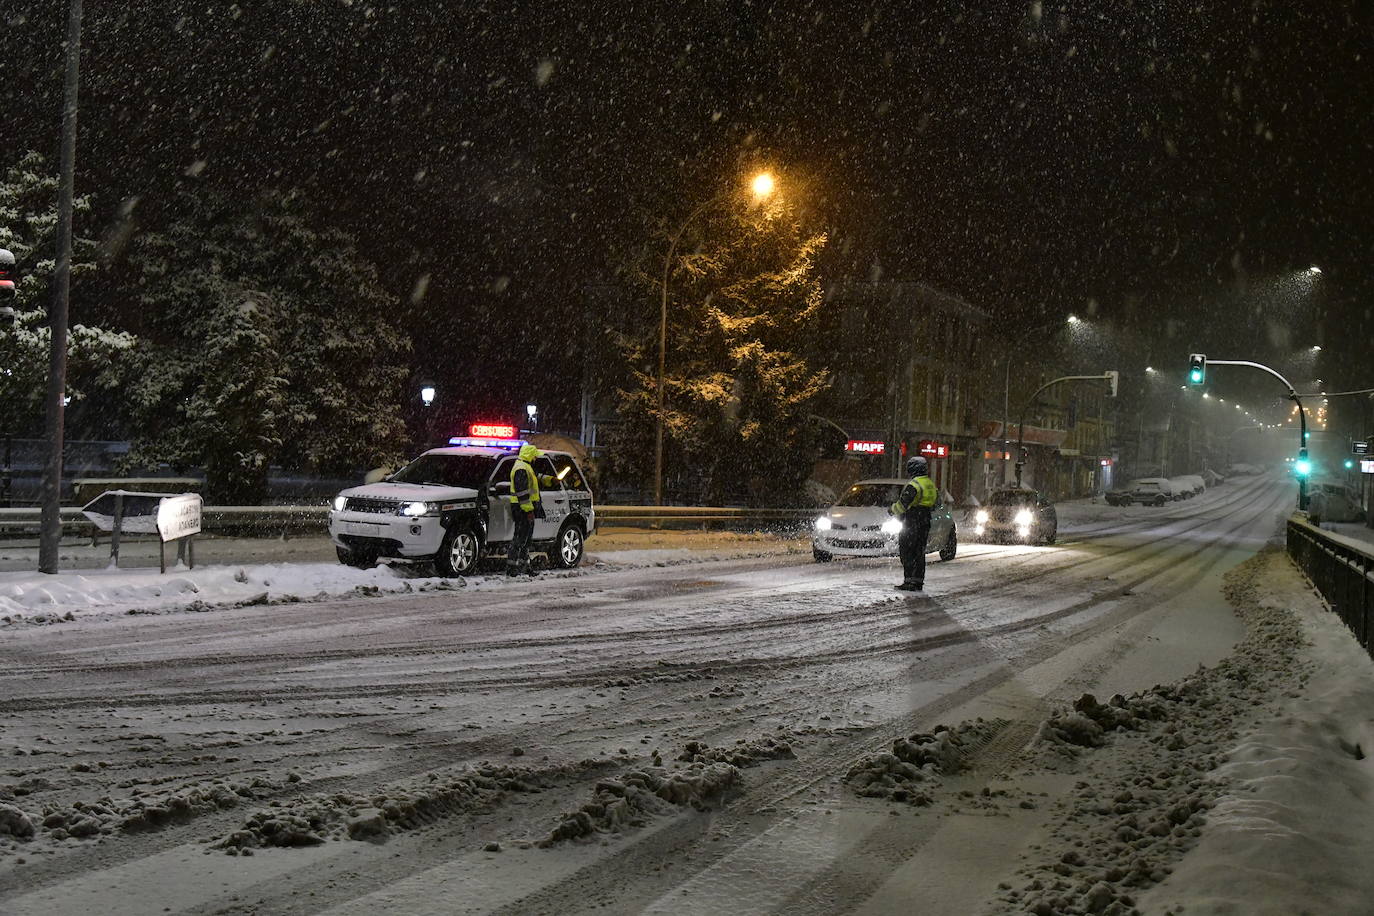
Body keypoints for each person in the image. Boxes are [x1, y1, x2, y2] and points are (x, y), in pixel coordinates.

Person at [890, 455, 938, 591]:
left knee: (907, 550)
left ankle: (909, 581)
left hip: (912, 520)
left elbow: (903, 504)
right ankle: (918, 581)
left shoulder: (914, 484)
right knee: (919, 551)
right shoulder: (930, 484)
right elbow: (936, 503)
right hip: (925, 520)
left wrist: (892, 510)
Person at [507, 443, 556, 577]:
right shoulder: (521, 468)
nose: (536, 458)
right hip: (522, 509)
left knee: (525, 538)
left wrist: (550, 480)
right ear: (530, 455)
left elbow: (535, 479)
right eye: (534, 456)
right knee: (520, 538)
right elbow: (522, 493)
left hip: (524, 508)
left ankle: (523, 566)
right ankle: (512, 568)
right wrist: (528, 511)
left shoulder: (525, 467)